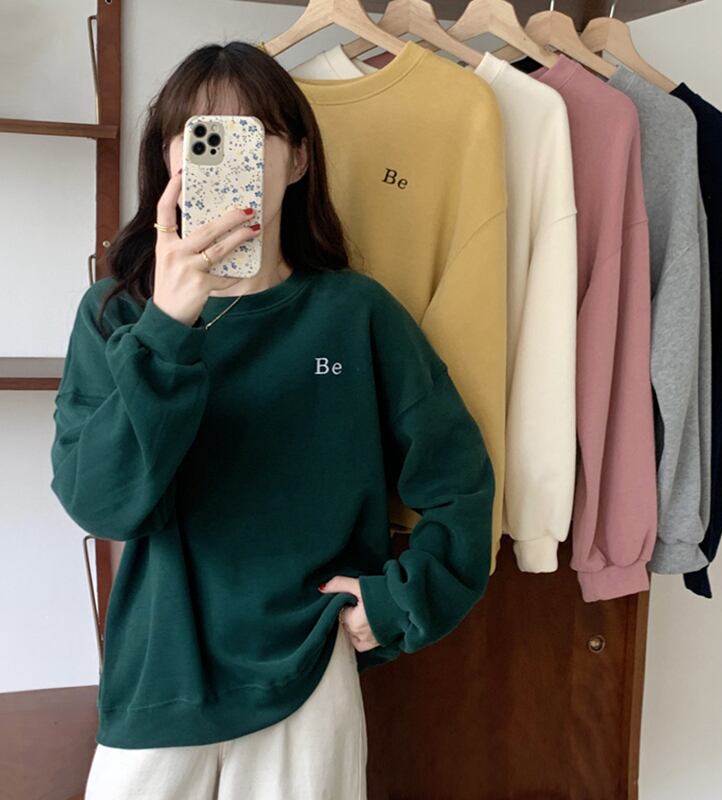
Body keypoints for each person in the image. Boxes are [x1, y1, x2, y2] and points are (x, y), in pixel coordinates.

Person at [49, 41, 494, 799]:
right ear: (169, 161)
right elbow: (102, 505)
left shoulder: (356, 315)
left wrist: (401, 600)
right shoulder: (117, 315)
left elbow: (461, 482)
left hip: (309, 671)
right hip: (158, 679)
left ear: (298, 160)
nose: (228, 158)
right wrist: (167, 327)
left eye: (250, 135)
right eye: (200, 137)